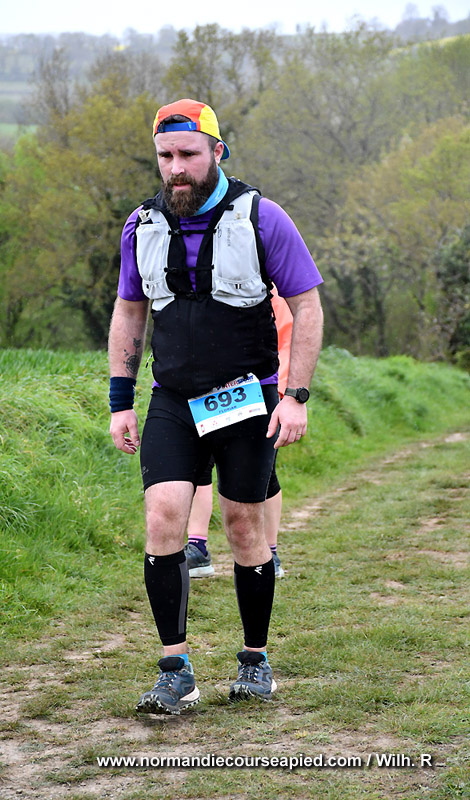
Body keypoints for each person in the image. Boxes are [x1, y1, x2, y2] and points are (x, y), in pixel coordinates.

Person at [108, 98, 324, 715]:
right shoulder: (141, 226)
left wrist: (295, 397)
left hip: (245, 398)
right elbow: (130, 311)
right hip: (173, 399)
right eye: (165, 156)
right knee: (162, 518)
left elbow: (307, 306)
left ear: (217, 152)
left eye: (188, 154)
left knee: (243, 526)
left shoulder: (263, 218)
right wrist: (121, 401)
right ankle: (175, 670)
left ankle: (255, 660)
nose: (176, 168)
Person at [185, 293, 293, 579]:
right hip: (206, 392)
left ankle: (270, 552)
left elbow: (286, 344)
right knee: (199, 468)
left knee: (262, 475)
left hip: (258, 393)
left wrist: (282, 394)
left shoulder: (275, 296)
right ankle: (197, 548)